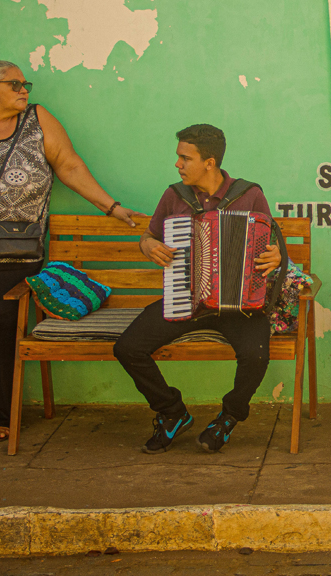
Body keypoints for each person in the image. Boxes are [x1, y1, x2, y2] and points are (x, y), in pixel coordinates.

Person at [0, 60, 142, 443]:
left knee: (1, 326)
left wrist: (111, 207)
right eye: (15, 84)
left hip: (15, 248)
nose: (24, 90)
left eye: (25, 84)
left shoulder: (37, 120)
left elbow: (69, 165)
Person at [113, 124, 282, 454]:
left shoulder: (249, 195)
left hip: (239, 304)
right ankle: (172, 412)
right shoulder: (175, 196)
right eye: (178, 157)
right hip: (185, 298)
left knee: (256, 355)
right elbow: (149, 236)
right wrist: (148, 246)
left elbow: (269, 243)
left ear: (210, 162)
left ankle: (229, 417)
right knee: (128, 348)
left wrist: (275, 256)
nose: (177, 164)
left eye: (185, 158)